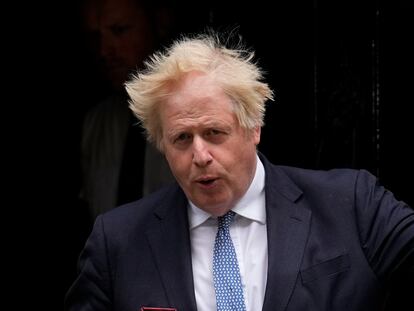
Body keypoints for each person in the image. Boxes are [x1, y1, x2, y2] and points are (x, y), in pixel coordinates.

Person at [65, 32, 414, 311]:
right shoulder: (118, 242)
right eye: (182, 139)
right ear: (161, 144)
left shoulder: (352, 205)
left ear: (254, 128)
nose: (200, 155)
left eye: (214, 133)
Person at [79, 0, 175, 220]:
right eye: (95, 37)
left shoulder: (198, 112)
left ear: (160, 22)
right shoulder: (96, 124)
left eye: (119, 30)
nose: (104, 51)